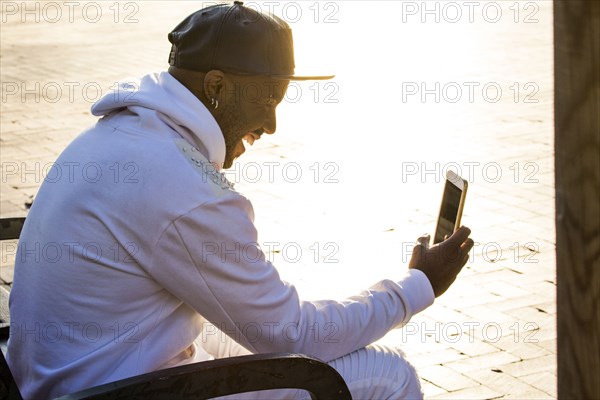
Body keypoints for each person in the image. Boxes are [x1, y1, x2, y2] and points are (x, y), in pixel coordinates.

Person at [6, 2, 474, 399]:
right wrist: (417, 286)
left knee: (243, 331)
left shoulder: (124, 131)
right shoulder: (183, 188)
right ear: (215, 86)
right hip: (116, 390)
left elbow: (270, 323)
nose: (271, 124)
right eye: (268, 98)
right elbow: (297, 334)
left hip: (70, 376)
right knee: (389, 374)